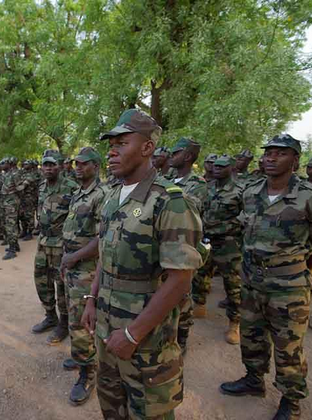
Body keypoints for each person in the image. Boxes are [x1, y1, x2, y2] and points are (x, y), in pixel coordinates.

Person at [81, 109, 203, 419]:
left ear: (147, 148)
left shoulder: (170, 202)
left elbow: (180, 280)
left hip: (146, 339)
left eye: (122, 143)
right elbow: (104, 256)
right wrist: (91, 298)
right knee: (112, 408)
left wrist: (134, 334)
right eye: (111, 144)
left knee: (148, 412)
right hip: (107, 329)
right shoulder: (112, 197)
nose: (111, 151)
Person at [220, 134, 312, 420]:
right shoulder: (250, 192)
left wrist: (296, 271)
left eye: (281, 153)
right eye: (268, 152)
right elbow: (244, 232)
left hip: (289, 287)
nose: (271, 158)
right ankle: (253, 380)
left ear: (295, 160)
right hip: (251, 281)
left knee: (288, 349)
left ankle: (291, 401)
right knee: (252, 337)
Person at [60, 147, 109, 405]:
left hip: (88, 269)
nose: (77, 167)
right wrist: (66, 259)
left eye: (83, 163)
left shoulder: (101, 195)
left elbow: (102, 238)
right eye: (75, 163)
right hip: (73, 266)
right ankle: (81, 357)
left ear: (96, 166)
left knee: (83, 323)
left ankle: (88, 372)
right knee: (74, 318)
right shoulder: (79, 193)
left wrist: (75, 257)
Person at [192, 155, 244, 344]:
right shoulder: (207, 187)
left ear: (231, 168)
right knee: (200, 273)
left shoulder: (240, 191)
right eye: (215, 166)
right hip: (206, 240)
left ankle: (235, 323)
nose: (216, 169)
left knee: (233, 284)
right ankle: (199, 305)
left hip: (229, 244)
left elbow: (246, 219)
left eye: (222, 166)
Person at [31, 149, 78, 343]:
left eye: (52, 165)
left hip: (61, 244)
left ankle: (64, 323)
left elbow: (77, 219)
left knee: (61, 285)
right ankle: (50, 316)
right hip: (43, 242)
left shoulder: (71, 187)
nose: (48, 168)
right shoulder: (42, 186)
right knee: (41, 280)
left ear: (59, 166)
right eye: (45, 165)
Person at [167, 137, 208, 353]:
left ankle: (182, 339)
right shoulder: (166, 178)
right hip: (165, 244)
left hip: (184, 246)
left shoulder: (197, 184)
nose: (171, 156)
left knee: (183, 295)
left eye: (176, 153)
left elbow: (184, 209)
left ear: (188, 156)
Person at [0, 157, 24, 259]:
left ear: (9, 164)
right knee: (10, 224)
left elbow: (21, 187)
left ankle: (12, 249)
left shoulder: (15, 174)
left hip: (12, 203)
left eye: (3, 163)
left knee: (11, 226)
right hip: (7, 202)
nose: (1, 165)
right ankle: (15, 245)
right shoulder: (7, 174)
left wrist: (16, 193)